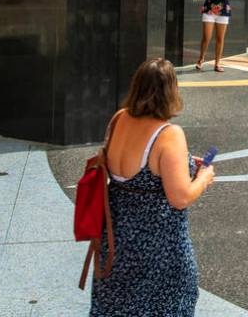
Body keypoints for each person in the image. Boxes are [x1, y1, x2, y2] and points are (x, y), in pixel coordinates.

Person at [91, 58, 215, 316]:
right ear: (171, 91)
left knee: (117, 308)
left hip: (116, 240)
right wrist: (203, 178)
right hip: (159, 248)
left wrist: (183, 163)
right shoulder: (169, 134)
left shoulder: (118, 119)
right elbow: (179, 197)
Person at [193, 0, 246, 72]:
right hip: (209, 11)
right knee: (206, 37)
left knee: (220, 39)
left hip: (223, 12)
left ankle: (217, 64)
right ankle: (201, 59)